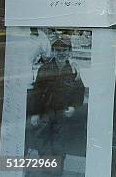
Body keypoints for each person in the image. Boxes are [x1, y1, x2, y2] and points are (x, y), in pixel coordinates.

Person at [27, 37, 85, 166]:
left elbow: (79, 91)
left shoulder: (73, 70)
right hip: (45, 114)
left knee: (59, 146)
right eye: (57, 50)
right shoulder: (44, 68)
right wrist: (35, 113)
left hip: (63, 114)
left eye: (64, 50)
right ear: (53, 51)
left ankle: (57, 171)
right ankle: (47, 170)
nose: (61, 53)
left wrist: (73, 107)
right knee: (43, 144)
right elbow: (37, 92)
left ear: (69, 51)